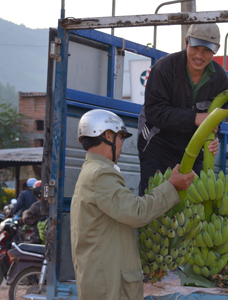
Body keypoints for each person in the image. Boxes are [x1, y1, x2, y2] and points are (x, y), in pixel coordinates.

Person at [70, 109, 195, 300]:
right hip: (108, 286)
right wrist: (171, 186)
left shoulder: (91, 171)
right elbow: (136, 213)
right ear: (108, 135)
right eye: (120, 138)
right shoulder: (101, 174)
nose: (121, 145)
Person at [137, 23, 228, 196]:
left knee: (191, 203)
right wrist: (194, 118)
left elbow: (216, 118)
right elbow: (155, 112)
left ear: (216, 49)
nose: (199, 56)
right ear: (186, 42)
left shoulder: (219, 78)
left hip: (192, 148)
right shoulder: (164, 68)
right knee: (154, 199)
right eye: (195, 48)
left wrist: (214, 137)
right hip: (157, 144)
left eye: (207, 50)